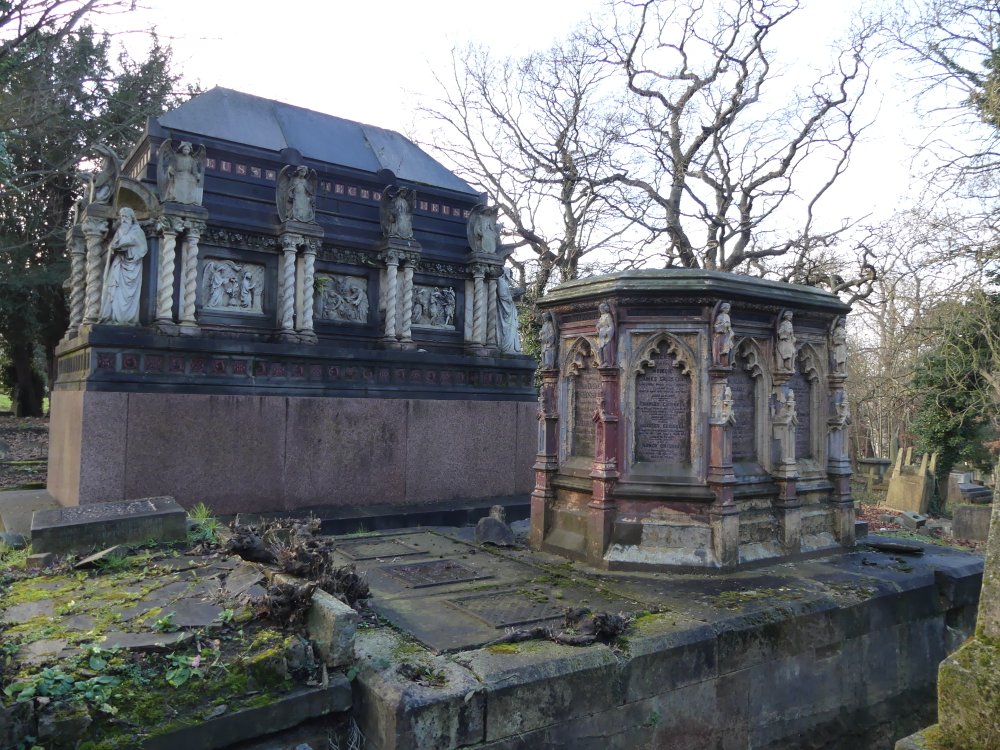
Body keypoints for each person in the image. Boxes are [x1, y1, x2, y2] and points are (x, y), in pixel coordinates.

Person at [100, 208, 147, 325]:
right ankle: (112, 317)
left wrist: (130, 250)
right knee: (114, 289)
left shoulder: (138, 231)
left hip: (132, 266)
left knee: (127, 295)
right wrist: (114, 248)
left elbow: (143, 249)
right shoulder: (120, 231)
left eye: (125, 217)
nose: (123, 220)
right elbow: (112, 246)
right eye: (121, 217)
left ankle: (125, 319)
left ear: (132, 218)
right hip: (119, 263)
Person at [496, 267, 522, 353]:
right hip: (506, 311)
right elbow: (503, 296)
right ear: (506, 274)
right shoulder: (501, 281)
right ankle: (507, 348)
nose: (510, 277)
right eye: (510, 275)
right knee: (507, 329)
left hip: (509, 309)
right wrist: (514, 294)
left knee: (512, 329)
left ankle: (511, 347)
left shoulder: (504, 283)